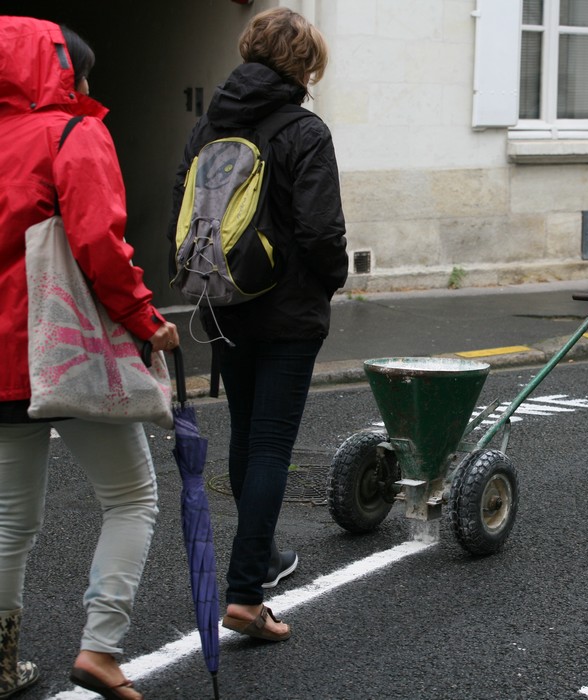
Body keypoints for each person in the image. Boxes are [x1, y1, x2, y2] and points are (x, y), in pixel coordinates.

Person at [0, 17, 179, 700]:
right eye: (84, 71)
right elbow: (100, 248)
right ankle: (100, 649)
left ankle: (0, 660)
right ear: (60, 70)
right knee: (132, 495)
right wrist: (146, 321)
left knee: (10, 518)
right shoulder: (72, 133)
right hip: (61, 353)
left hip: (1, 366)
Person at [167, 8, 348, 642]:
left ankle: (263, 557)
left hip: (223, 302)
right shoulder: (304, 130)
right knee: (272, 446)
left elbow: (180, 212)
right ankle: (246, 594)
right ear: (305, 65)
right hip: (289, 308)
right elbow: (322, 231)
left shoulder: (207, 129)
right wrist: (328, 284)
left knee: (247, 436)